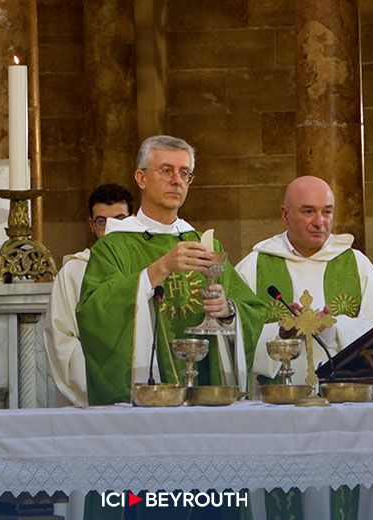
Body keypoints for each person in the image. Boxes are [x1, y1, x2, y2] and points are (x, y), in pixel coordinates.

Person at [76, 136, 266, 519]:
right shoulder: (114, 248)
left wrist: (227, 311)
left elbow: (251, 308)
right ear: (141, 178)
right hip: (148, 419)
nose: (177, 180)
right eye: (167, 170)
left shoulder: (201, 243)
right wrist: (155, 271)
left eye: (185, 173)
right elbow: (93, 313)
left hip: (206, 414)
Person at [234, 175, 373, 520]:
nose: (320, 222)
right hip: (274, 413)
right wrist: (282, 332)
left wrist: (337, 327)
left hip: (342, 415)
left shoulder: (356, 264)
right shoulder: (255, 266)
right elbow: (235, 337)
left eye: (327, 212)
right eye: (308, 211)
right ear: (285, 214)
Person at [44, 183, 133, 406]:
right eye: (102, 221)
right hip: (92, 391)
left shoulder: (147, 268)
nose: (112, 228)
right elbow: (62, 337)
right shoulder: (73, 272)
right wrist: (100, 382)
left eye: (120, 219)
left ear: (133, 221)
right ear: (91, 225)